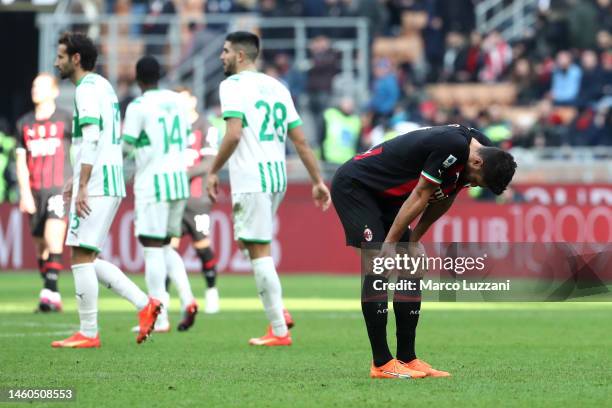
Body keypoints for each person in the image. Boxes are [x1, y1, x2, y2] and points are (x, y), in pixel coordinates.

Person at [330, 124, 516, 378]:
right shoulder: (451, 145)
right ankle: (381, 363)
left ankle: (407, 359)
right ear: (477, 162)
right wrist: (391, 244)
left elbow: (446, 197)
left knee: (414, 262)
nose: (471, 185)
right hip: (357, 187)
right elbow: (421, 193)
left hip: (389, 198)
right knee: (379, 263)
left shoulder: (481, 148)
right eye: (475, 180)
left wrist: (413, 240)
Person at [207, 31, 331, 346]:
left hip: (251, 178)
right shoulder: (277, 86)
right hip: (277, 178)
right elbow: (300, 139)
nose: (221, 56)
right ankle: (279, 310)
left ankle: (278, 329)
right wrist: (317, 180)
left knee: (257, 249)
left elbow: (233, 134)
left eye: (225, 51)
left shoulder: (231, 86)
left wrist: (211, 171)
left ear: (239, 55)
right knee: (249, 244)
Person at [51, 32, 161, 348]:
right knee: (87, 255)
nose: (55, 62)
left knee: (80, 256)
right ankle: (146, 305)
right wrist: (78, 178)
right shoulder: (102, 85)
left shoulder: (86, 89)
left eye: (60, 56)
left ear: (75, 58)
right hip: (105, 178)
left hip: (97, 183)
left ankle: (88, 332)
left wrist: (83, 184)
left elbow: (93, 138)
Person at [122, 57, 198, 332]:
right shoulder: (178, 101)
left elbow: (126, 146)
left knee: (152, 248)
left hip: (153, 183)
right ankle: (187, 298)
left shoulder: (138, 106)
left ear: (137, 78)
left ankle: (159, 316)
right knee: (166, 246)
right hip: (179, 180)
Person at [15, 73, 71, 312]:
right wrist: (25, 193)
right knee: (40, 245)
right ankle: (52, 291)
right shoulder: (24, 123)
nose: (35, 89)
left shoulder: (66, 119)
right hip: (35, 190)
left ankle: (49, 292)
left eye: (41, 86)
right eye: (34, 85)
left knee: (53, 235)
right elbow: (20, 161)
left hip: (59, 187)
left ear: (55, 91)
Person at [171, 87, 220, 314]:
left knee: (202, 245)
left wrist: (184, 173)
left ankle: (211, 291)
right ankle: (163, 300)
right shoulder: (171, 127)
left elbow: (210, 162)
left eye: (182, 100)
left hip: (198, 199)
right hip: (173, 197)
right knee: (167, 248)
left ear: (193, 100)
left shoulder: (206, 126)